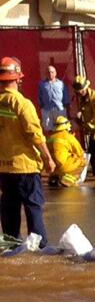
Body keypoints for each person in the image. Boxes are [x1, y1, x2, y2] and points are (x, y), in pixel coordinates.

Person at [0, 57, 57, 244]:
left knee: (9, 211)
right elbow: (34, 134)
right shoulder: (22, 103)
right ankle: (40, 248)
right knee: (34, 208)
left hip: (4, 169)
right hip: (26, 167)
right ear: (18, 79)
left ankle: (10, 247)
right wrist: (48, 158)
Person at [46, 116, 88, 187]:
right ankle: (68, 179)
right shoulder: (68, 136)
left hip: (51, 167)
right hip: (63, 166)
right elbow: (80, 152)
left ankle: (53, 178)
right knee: (83, 161)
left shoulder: (50, 137)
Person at [37, 65, 70, 132]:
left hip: (59, 110)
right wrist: (41, 106)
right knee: (48, 129)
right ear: (46, 73)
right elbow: (39, 96)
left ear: (55, 73)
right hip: (47, 110)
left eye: (52, 72)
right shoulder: (41, 84)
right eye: (48, 72)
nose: (50, 74)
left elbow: (66, 96)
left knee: (62, 128)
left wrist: (66, 107)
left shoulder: (61, 84)